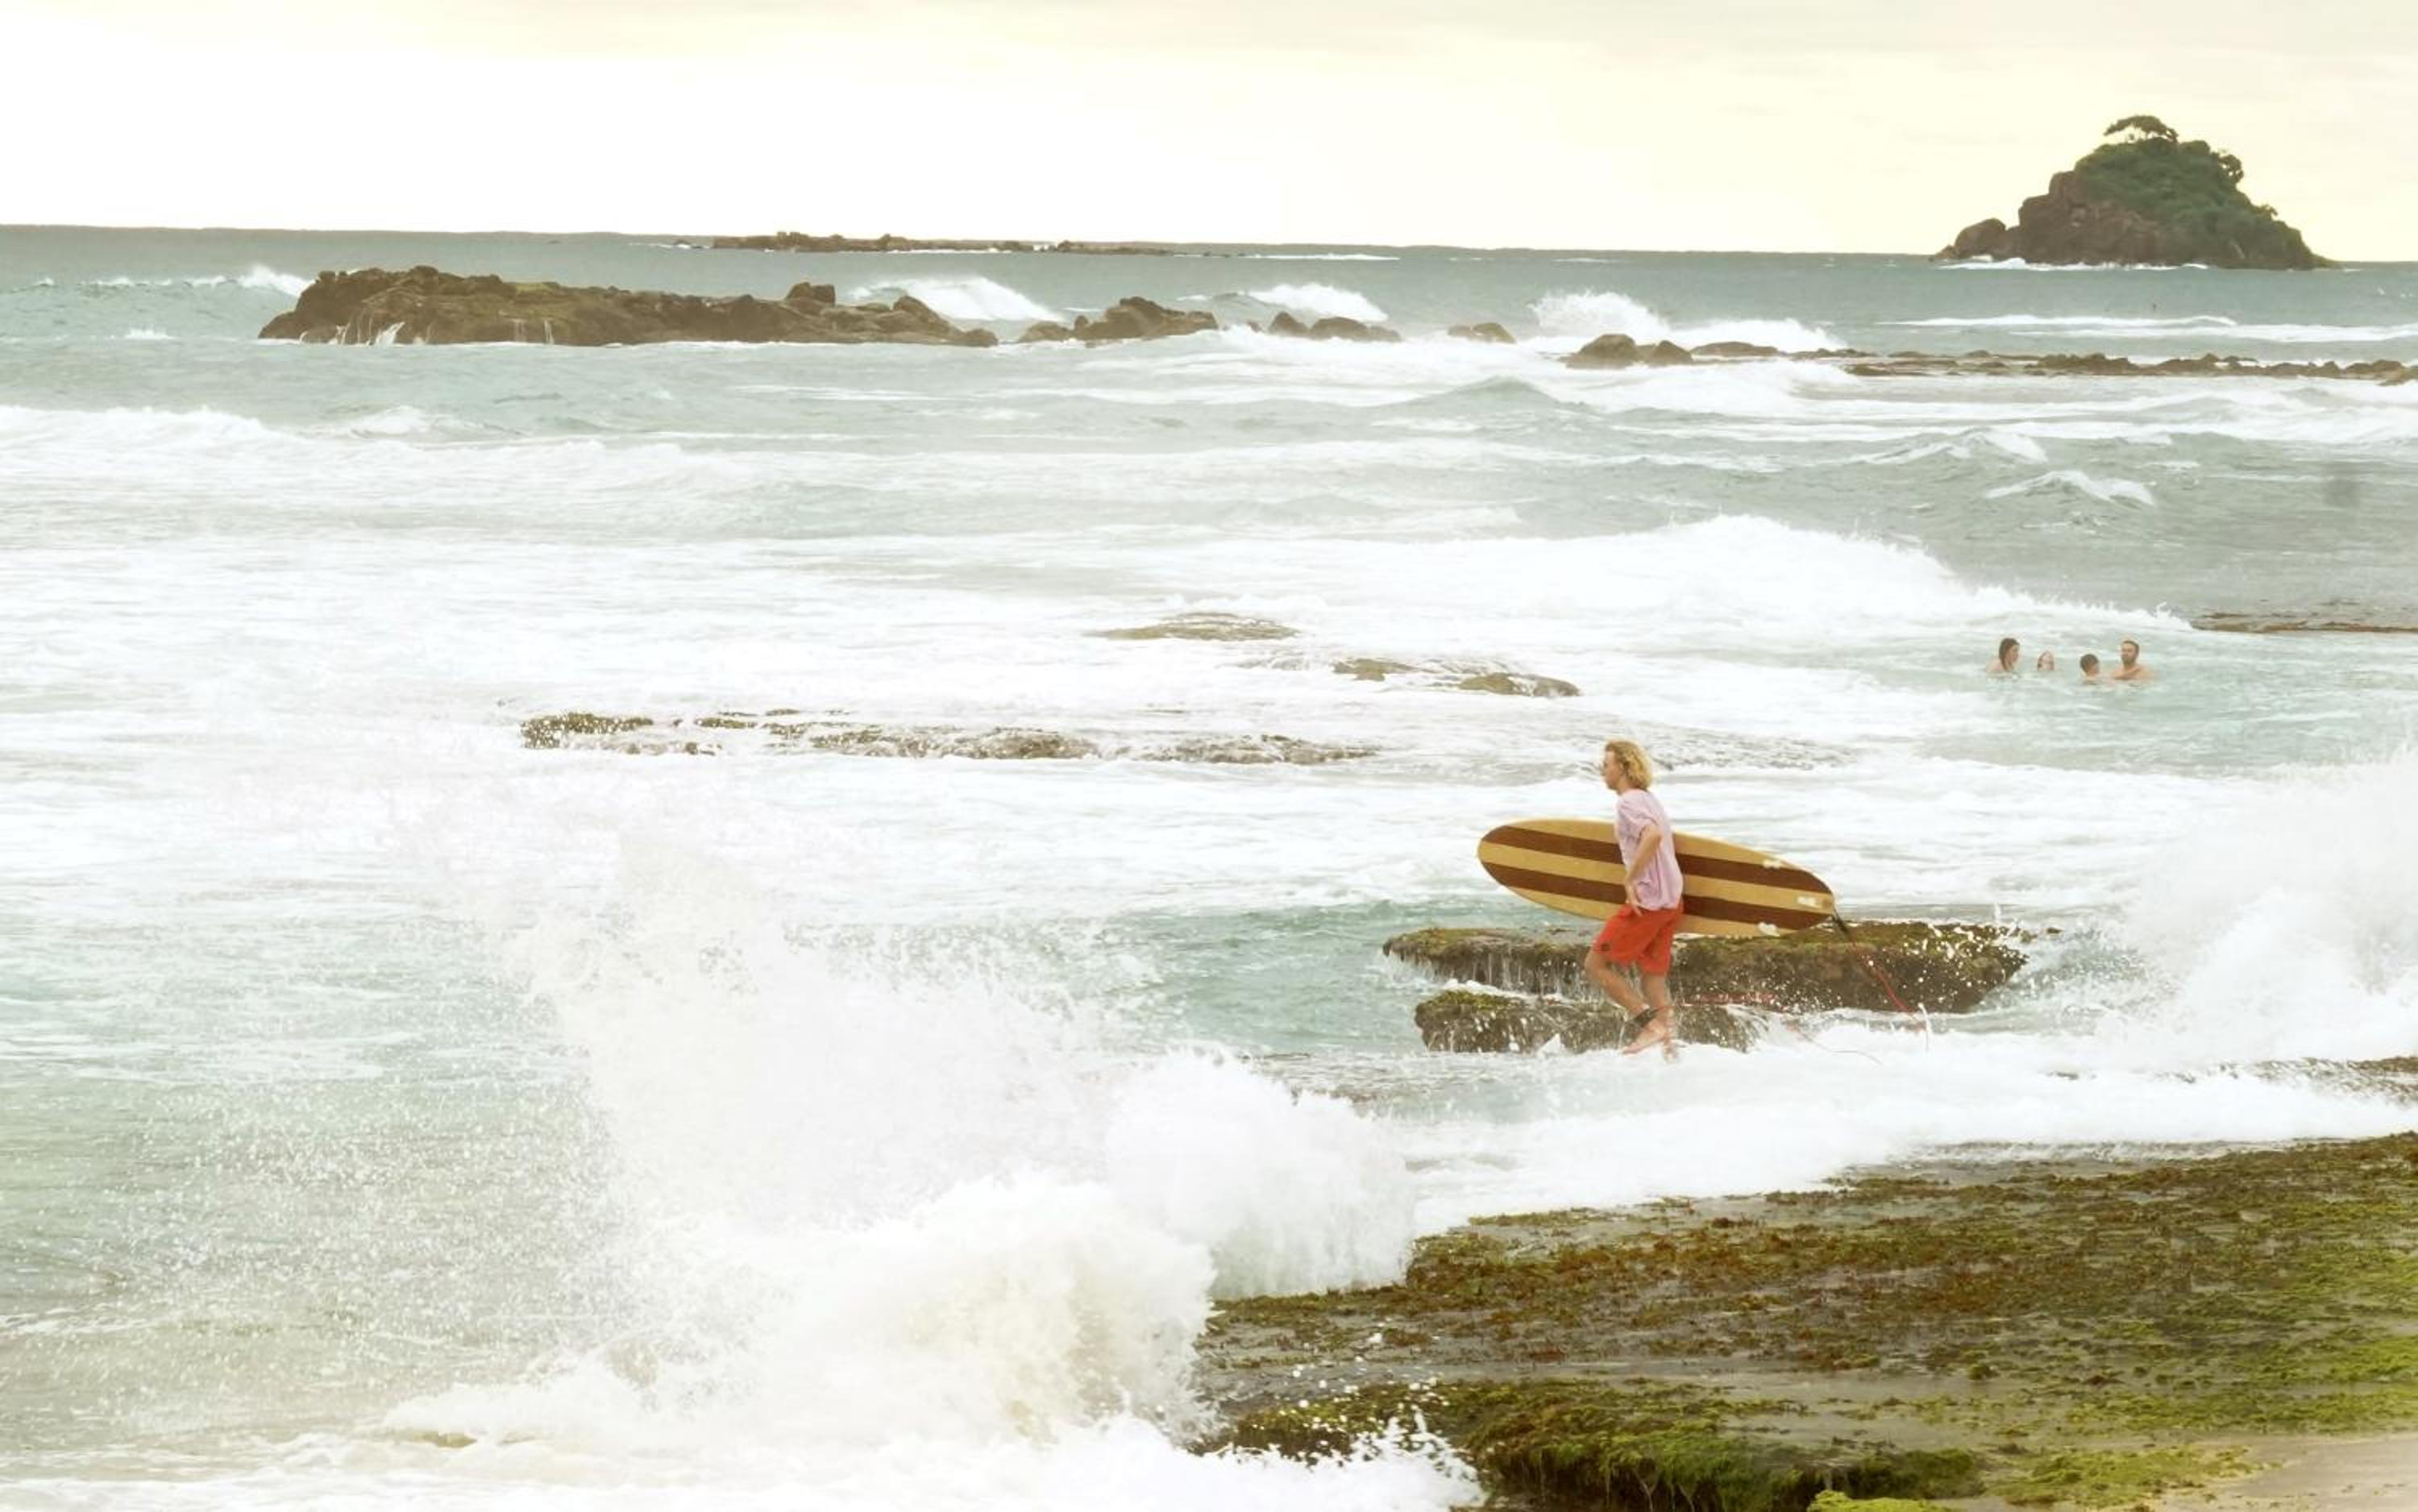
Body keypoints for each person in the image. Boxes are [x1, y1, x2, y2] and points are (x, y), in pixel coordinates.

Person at [1586, 738, 1685, 1058]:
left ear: (1623, 767)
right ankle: (1670, 1050)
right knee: (1653, 978)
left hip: (1648, 903)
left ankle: (1650, 1026)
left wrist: (1630, 878)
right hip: (1672, 901)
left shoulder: (1628, 802)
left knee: (1595, 965)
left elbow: (1652, 837)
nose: (1603, 770)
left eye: (1607, 764)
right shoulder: (1649, 799)